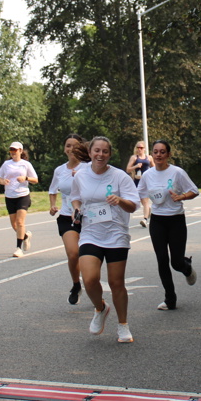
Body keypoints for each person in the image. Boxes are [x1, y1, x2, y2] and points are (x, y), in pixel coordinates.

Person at [70, 136, 140, 343]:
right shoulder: (81, 176)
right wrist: (76, 209)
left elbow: (133, 205)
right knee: (89, 279)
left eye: (105, 151)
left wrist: (120, 200)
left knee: (116, 282)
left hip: (116, 234)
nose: (100, 155)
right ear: (90, 152)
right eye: (97, 151)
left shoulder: (119, 177)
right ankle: (100, 308)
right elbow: (75, 197)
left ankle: (123, 325)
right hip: (90, 233)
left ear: (110, 154)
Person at [138, 140, 199, 310]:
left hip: (176, 219)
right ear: (152, 154)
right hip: (157, 221)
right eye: (156, 152)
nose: (159, 155)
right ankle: (170, 298)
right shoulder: (147, 175)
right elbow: (139, 194)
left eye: (162, 152)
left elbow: (194, 190)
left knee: (176, 262)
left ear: (168, 154)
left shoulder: (177, 172)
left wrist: (182, 196)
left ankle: (186, 268)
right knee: (162, 260)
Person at [49, 133, 86, 304]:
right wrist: (52, 205)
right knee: (73, 253)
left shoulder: (88, 167)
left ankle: (92, 283)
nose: (71, 149)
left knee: (89, 256)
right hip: (66, 216)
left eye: (75, 145)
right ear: (64, 149)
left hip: (88, 217)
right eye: (68, 145)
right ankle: (76, 284)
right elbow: (52, 190)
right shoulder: (59, 170)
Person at [0, 142, 39, 257]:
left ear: (20, 151)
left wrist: (25, 178)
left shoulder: (26, 164)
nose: (13, 152)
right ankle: (25, 236)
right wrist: (3, 181)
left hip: (22, 195)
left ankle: (18, 248)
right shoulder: (6, 164)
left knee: (20, 222)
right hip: (9, 196)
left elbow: (35, 179)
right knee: (14, 224)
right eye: (11, 150)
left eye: (15, 150)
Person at [125, 141, 152, 227]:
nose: (139, 149)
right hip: (137, 181)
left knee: (145, 201)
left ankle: (145, 219)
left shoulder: (149, 158)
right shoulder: (134, 157)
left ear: (144, 149)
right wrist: (136, 166)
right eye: (138, 147)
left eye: (141, 148)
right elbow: (128, 169)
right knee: (138, 200)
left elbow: (154, 168)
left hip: (146, 181)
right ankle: (148, 210)